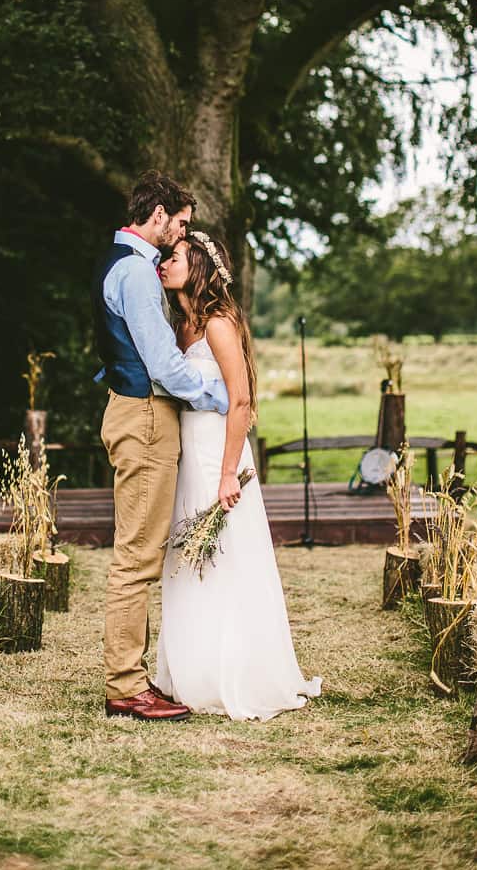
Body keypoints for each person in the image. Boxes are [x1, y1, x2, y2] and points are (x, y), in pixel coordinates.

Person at [155, 230, 322, 720]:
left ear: (200, 266)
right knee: (188, 559)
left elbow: (242, 401)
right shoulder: (179, 324)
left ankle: (234, 673)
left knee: (225, 560)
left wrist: (229, 473)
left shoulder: (219, 324)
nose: (165, 263)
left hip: (219, 456)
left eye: (175, 257)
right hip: (190, 454)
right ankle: (190, 671)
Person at [93, 170, 229, 722]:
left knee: (138, 551)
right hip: (146, 416)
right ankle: (125, 686)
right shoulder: (138, 273)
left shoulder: (117, 263)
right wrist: (218, 394)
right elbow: (164, 365)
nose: (183, 233)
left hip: (132, 411)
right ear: (158, 216)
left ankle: (132, 676)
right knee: (137, 557)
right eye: (181, 222)